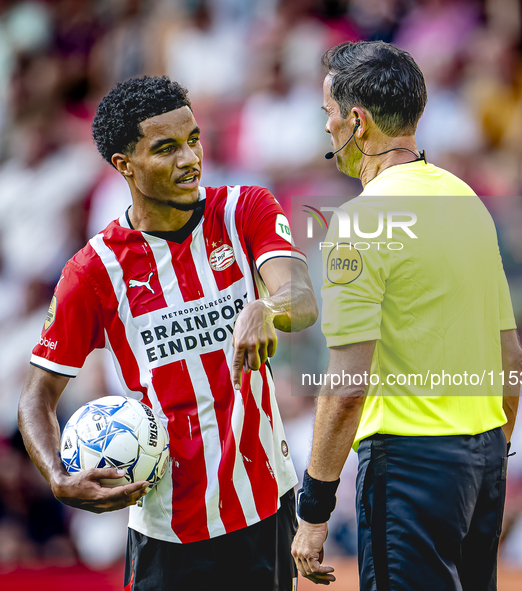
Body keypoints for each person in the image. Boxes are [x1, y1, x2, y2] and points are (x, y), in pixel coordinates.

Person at [18, 75, 318, 591]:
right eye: (166, 148)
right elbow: (36, 398)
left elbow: (301, 298)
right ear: (124, 165)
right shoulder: (95, 270)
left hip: (265, 507)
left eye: (193, 139)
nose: (189, 159)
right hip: (166, 530)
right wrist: (59, 478)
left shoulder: (244, 209)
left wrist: (268, 308)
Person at [291, 41, 522, 590]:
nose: (326, 129)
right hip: (484, 456)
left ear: (357, 121)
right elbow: (510, 356)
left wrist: (314, 510)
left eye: (327, 114)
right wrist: (487, 463)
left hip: (409, 469)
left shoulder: (359, 222)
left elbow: (348, 384)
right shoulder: (467, 201)